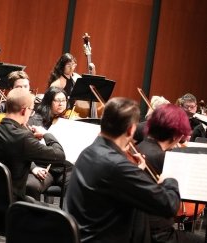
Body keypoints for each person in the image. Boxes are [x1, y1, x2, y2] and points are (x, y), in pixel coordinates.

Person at [64, 97, 181, 243]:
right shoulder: (118, 166)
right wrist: (170, 179)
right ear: (131, 129)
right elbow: (169, 205)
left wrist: (135, 171)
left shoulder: (88, 152)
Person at [0, 88, 66, 203]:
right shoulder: (23, 138)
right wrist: (46, 134)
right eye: (31, 110)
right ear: (24, 111)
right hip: (13, 202)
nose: (31, 114)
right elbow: (59, 155)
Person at [136, 104, 203, 243]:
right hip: (158, 235)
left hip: (139, 229)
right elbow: (172, 207)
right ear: (176, 135)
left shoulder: (139, 147)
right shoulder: (165, 158)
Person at [25, 86, 74, 201]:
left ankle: (67, 217)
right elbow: (25, 147)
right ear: (48, 102)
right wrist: (33, 168)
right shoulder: (35, 121)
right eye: (57, 100)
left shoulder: (66, 120)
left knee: (77, 185)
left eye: (64, 100)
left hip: (63, 167)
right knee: (31, 186)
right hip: (43, 167)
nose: (61, 104)